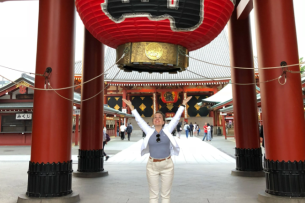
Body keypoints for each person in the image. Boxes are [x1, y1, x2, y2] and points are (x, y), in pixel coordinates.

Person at [122, 96, 192, 203]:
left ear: (163, 121)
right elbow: (139, 120)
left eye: (159, 117)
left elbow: (176, 118)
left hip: (167, 165)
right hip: (152, 165)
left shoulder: (168, 130)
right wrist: (131, 106)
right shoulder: (149, 131)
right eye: (155, 117)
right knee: (153, 195)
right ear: (153, 121)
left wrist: (183, 104)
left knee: (165, 195)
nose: (157, 118)